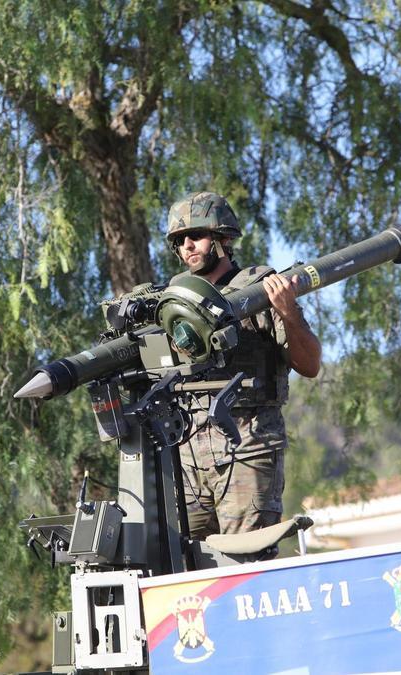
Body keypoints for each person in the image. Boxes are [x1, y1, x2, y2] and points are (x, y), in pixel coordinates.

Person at [165, 191, 321, 540]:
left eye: (196, 235)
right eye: (180, 240)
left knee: (244, 568)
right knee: (177, 570)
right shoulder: (173, 304)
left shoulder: (260, 289)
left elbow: (309, 364)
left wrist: (288, 311)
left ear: (222, 238)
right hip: (187, 459)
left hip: (247, 450)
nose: (188, 245)